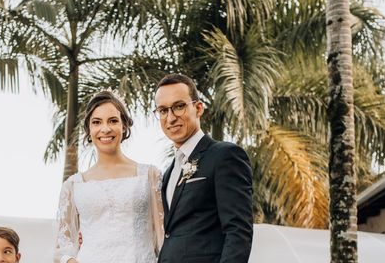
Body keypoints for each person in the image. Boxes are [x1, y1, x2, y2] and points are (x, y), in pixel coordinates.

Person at [55, 90, 164, 263]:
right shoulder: (73, 185)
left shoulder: (150, 176)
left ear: (124, 126)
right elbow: (63, 245)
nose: (105, 129)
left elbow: (163, 237)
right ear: (89, 129)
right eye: (96, 122)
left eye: (113, 121)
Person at [155, 74, 253, 263]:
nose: (171, 118)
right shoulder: (168, 172)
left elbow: (238, 231)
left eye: (179, 106)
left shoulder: (225, 155)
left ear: (198, 108)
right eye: (163, 110)